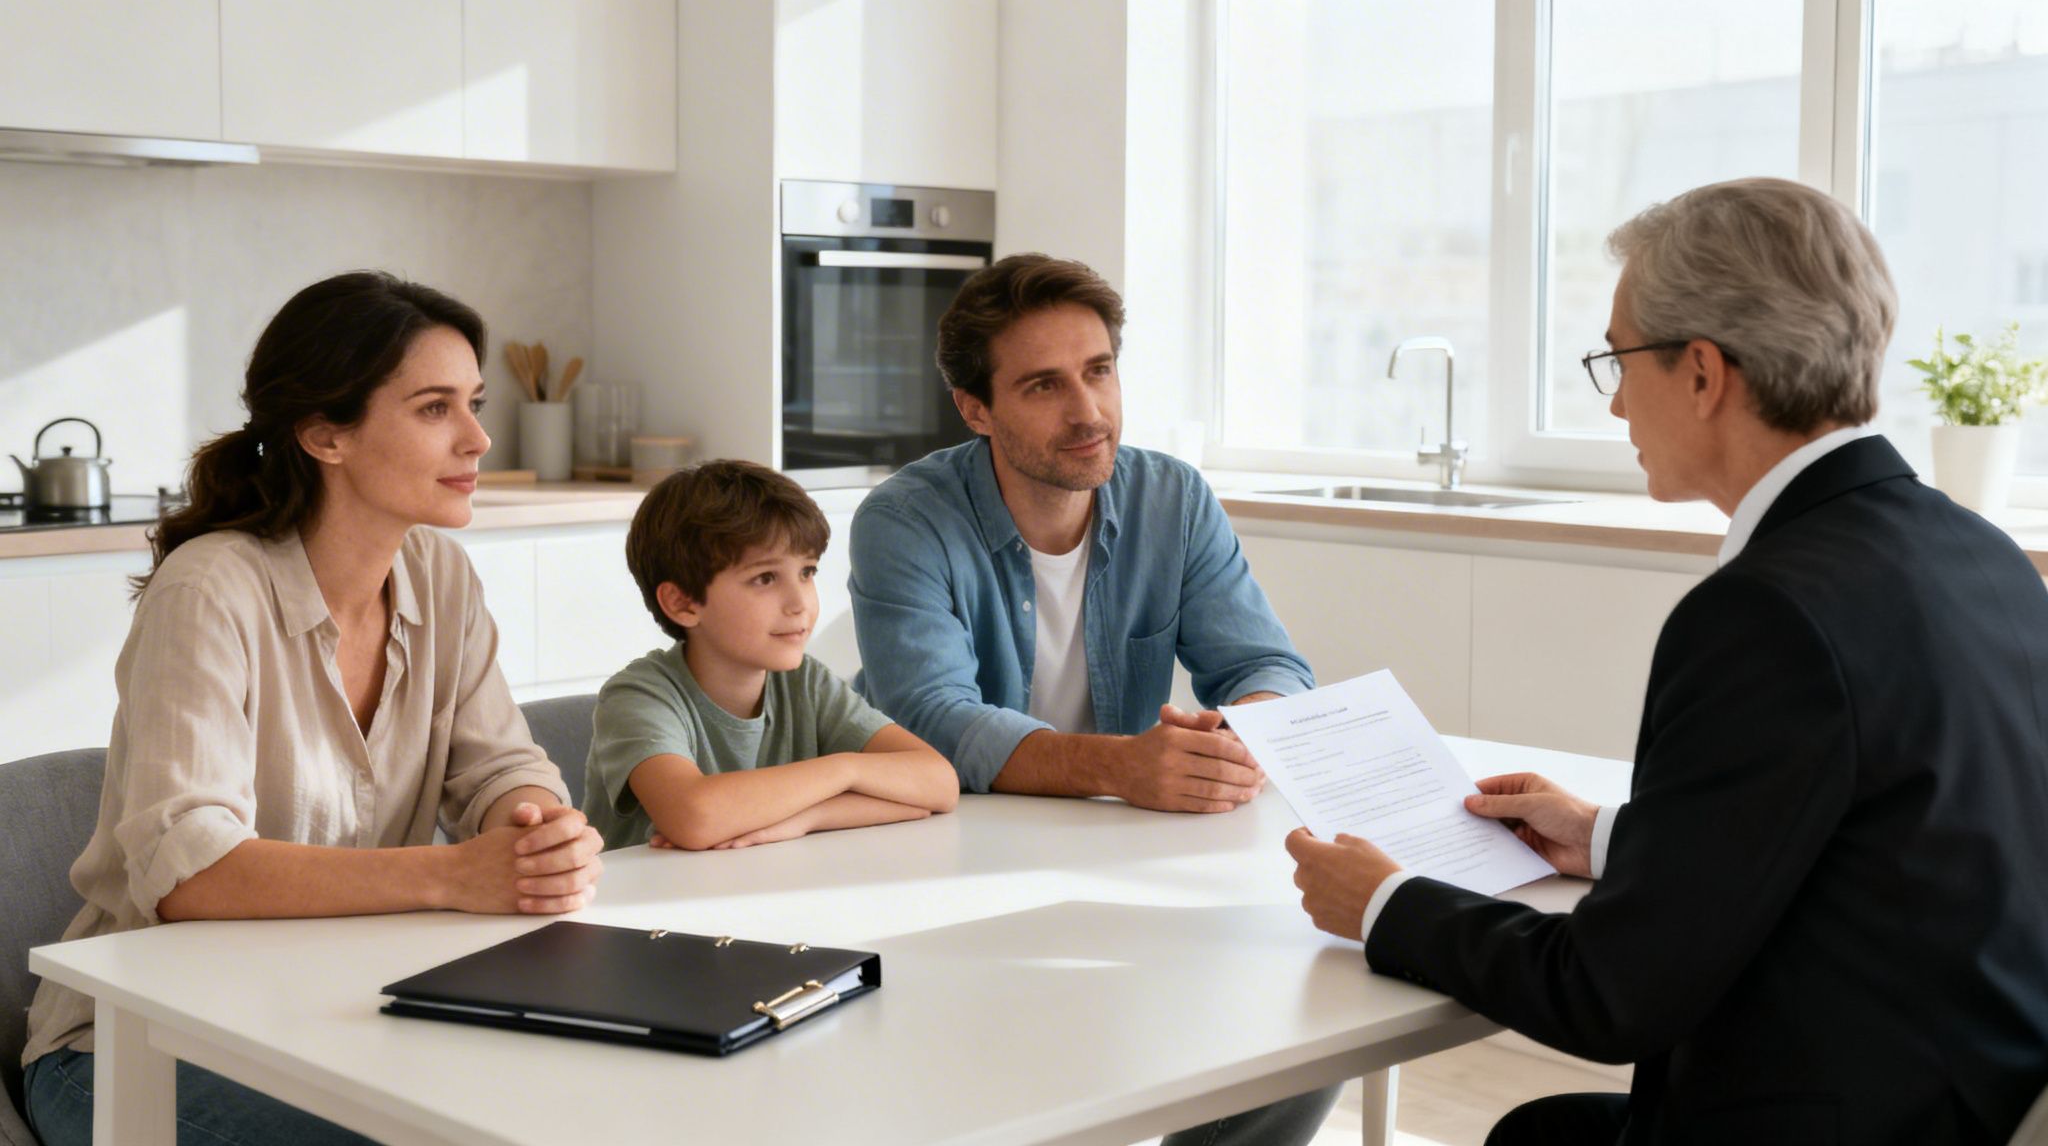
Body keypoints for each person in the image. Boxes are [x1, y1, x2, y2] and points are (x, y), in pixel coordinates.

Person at [1287, 177, 2048, 1145]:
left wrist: (1384, 903)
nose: (1611, 408)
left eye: (1616, 359)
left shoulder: (1761, 613)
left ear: (1700, 373)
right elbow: (1868, 841)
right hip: (1963, 1099)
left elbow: (1608, 998)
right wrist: (1607, 837)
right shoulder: (1980, 554)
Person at [20, 271, 605, 1146]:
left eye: (473, 402)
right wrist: (456, 874)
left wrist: (537, 832)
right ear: (325, 434)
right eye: (435, 408)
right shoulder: (211, 590)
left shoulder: (440, 576)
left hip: (334, 1023)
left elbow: (499, 767)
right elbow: (191, 875)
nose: (480, 438)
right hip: (133, 1053)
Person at [849, 253, 1338, 1145]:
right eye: (1043, 385)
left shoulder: (1172, 497)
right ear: (975, 408)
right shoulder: (905, 519)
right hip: (938, 861)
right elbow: (934, 716)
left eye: (1099, 371)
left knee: (1304, 1022)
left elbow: (1266, 662)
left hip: (1115, 850)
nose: (1088, 411)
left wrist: (1240, 734)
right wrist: (1125, 768)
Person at [583, 459, 956, 852]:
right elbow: (696, 817)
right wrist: (843, 775)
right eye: (765, 579)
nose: (800, 603)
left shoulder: (806, 683)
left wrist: (810, 817)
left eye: (807, 572)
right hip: (644, 909)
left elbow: (938, 782)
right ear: (683, 602)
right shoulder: (638, 696)